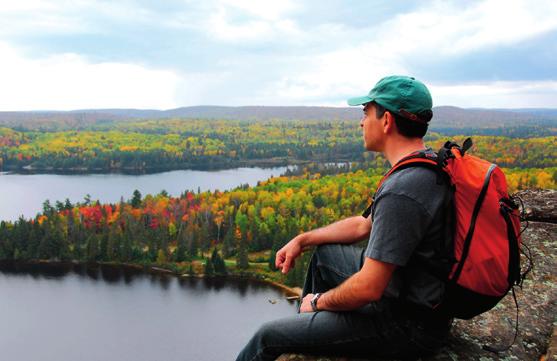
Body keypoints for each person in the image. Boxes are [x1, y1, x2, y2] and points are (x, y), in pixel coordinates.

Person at [236, 75, 453, 361]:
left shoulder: (404, 189)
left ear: (386, 120)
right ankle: (309, 332)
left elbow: (369, 287)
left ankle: (308, 328)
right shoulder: (423, 164)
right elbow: (363, 225)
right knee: (324, 255)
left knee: (266, 337)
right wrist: (304, 239)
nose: (361, 123)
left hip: (406, 325)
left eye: (365, 113)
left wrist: (317, 302)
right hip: (409, 294)